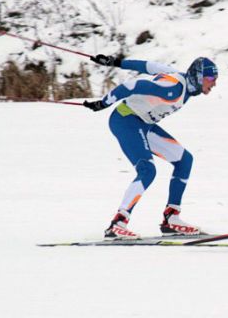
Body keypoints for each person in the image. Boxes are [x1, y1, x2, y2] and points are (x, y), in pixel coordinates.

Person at [83, 54, 218, 239]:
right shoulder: (173, 89)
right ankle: (118, 223)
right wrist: (104, 102)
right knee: (147, 170)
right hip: (125, 120)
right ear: (198, 76)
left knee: (184, 160)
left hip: (144, 123)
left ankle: (172, 218)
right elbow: (132, 86)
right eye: (211, 79)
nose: (214, 84)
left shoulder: (179, 79)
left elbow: (148, 66)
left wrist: (116, 62)